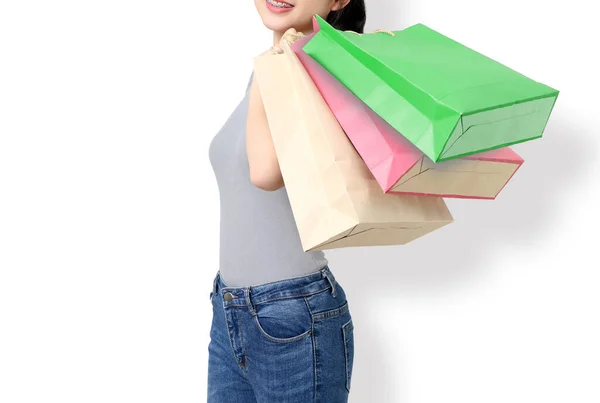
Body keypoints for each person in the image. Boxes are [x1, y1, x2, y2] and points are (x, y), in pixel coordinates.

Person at [207, 1, 366, 401]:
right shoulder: (278, 64)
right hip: (230, 308)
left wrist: (271, 68)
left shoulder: (320, 65)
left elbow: (265, 174)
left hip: (293, 317)